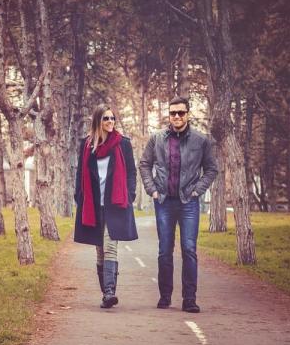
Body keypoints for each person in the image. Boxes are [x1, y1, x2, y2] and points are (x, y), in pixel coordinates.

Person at [138, 97, 218, 313]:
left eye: (181, 113)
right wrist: (152, 189)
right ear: (169, 115)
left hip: (188, 203)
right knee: (165, 250)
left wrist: (196, 191)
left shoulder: (201, 140)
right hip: (163, 201)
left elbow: (211, 169)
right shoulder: (157, 139)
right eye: (173, 113)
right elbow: (144, 164)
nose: (176, 117)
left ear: (188, 114)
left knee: (189, 249)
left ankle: (189, 299)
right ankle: (165, 297)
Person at [74, 104, 138, 309]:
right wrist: (79, 198)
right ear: (98, 121)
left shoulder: (123, 144)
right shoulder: (86, 145)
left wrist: (130, 195)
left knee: (110, 246)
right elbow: (79, 175)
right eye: (106, 119)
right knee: (99, 249)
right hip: (93, 205)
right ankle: (106, 293)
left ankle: (110, 292)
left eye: (113, 119)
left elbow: (131, 173)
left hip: (115, 204)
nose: (111, 122)